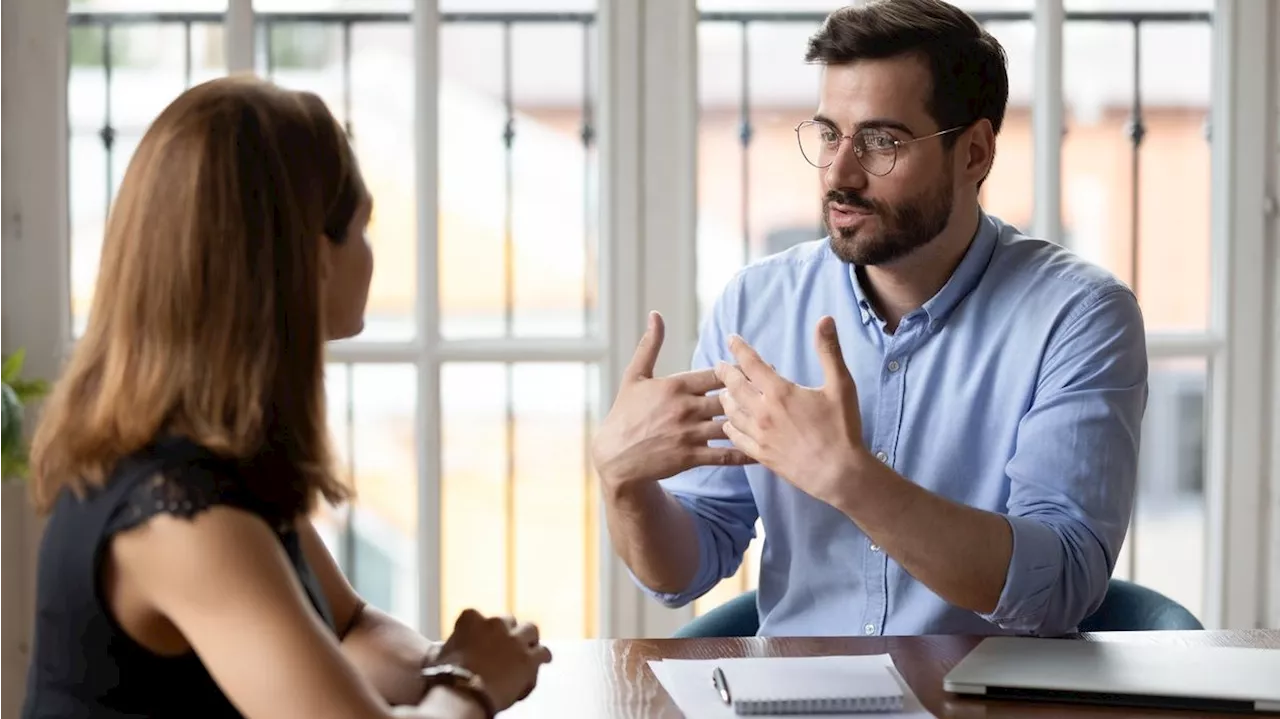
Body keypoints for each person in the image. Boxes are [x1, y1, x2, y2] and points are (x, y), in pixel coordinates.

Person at [592, 0, 1148, 638]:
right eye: (830, 133)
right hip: (796, 701)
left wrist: (850, 479)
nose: (840, 173)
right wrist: (623, 484)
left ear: (974, 154)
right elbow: (687, 567)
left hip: (984, 704)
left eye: (882, 141)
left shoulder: (1079, 317)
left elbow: (1061, 588)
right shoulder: (755, 304)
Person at [21, 76, 549, 719]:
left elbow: (350, 626)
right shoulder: (181, 517)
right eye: (362, 227)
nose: (371, 253)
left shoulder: (217, 452)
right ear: (309, 258)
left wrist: (448, 665)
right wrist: (470, 683)